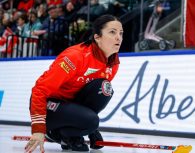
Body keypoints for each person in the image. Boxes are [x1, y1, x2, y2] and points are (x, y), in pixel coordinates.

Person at [24, 14, 123, 152]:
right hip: (49, 105)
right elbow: (39, 90)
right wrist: (38, 129)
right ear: (97, 37)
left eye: (121, 33)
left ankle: (72, 134)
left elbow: (91, 97)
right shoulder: (75, 57)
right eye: (112, 32)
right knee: (91, 121)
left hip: (70, 104)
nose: (119, 38)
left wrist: (91, 130)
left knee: (104, 88)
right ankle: (55, 133)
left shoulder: (113, 63)